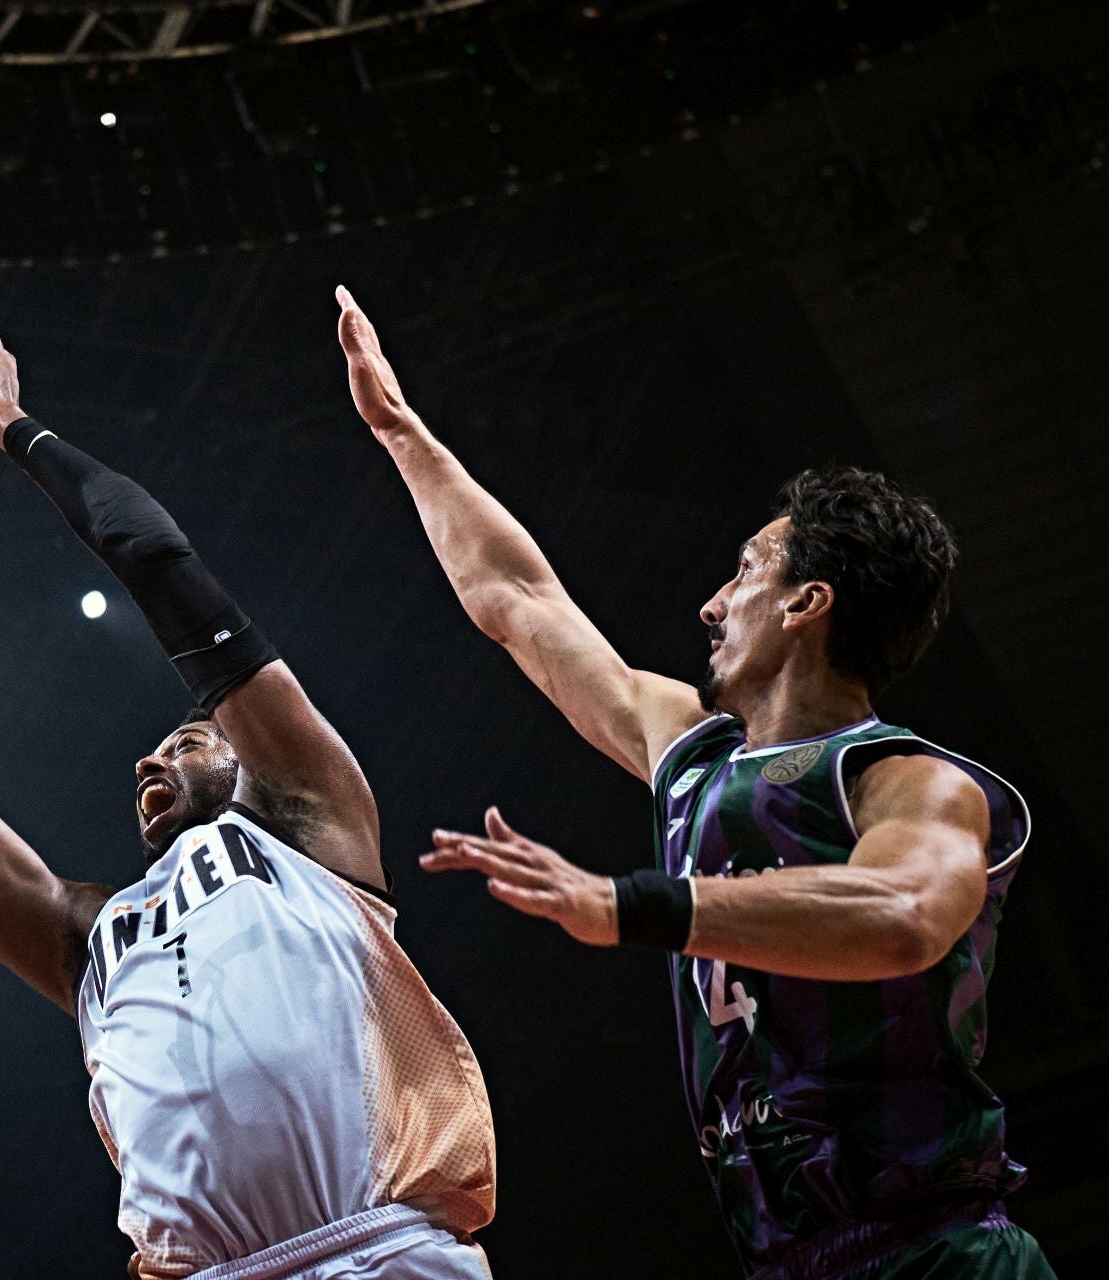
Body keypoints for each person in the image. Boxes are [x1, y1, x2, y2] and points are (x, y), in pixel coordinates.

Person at [331, 285, 1053, 1280]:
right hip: (786, 1259)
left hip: (933, 1251)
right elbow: (519, 597)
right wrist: (405, 434)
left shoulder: (910, 781)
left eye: (744, 572)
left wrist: (625, 902)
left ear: (807, 601)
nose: (712, 604)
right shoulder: (694, 754)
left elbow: (899, 913)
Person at [0, 291, 495, 1280]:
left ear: (242, 752)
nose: (148, 760)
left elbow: (154, 555)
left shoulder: (310, 820)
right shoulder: (87, 932)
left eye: (184, 737)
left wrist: (9, 424)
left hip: (377, 1253)